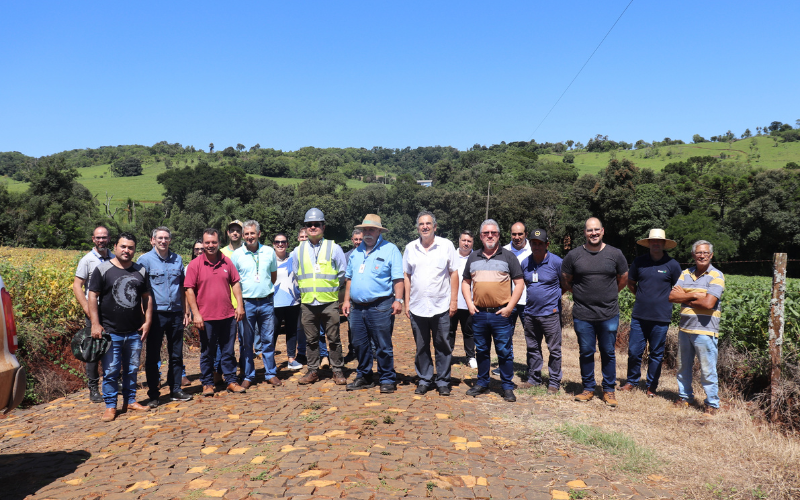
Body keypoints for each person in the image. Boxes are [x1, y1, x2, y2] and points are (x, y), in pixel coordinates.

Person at [561, 217, 628, 407]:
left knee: (608, 352)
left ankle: (608, 390)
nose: (593, 233)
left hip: (608, 313)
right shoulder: (574, 256)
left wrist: (610, 292)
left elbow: (623, 277)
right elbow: (566, 280)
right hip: (583, 314)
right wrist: (580, 293)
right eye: (589, 230)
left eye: (596, 230)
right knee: (586, 352)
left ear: (603, 231)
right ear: (584, 232)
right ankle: (588, 388)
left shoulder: (615, 254)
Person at [88, 232, 153, 421]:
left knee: (132, 368)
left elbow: (147, 297)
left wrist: (148, 321)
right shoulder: (102, 270)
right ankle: (110, 405)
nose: (127, 250)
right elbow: (93, 295)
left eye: (130, 247)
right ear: (115, 247)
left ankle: (130, 400)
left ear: (134, 250)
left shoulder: (140, 271)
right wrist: (95, 323)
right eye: (123, 246)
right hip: (110, 331)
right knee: (111, 370)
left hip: (134, 331)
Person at [462, 219, 524, 403]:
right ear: (481, 236)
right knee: (481, 350)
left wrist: (510, 307)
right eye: (486, 233)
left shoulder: (508, 256)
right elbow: (466, 282)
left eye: (494, 233)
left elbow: (519, 283)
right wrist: (469, 303)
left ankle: (507, 386)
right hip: (479, 313)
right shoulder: (473, 257)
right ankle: (482, 383)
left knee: (504, 351)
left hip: (501, 314)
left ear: (498, 235)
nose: (490, 236)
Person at [343, 214, 404, 393]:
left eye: (371, 229)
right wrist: (346, 300)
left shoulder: (390, 249)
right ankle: (364, 376)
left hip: (381, 305)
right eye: (365, 230)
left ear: (379, 231)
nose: (367, 233)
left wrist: (398, 300)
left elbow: (398, 278)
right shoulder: (356, 252)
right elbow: (349, 279)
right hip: (356, 307)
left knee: (382, 345)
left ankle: (387, 378)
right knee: (359, 344)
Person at [185, 228, 246, 396]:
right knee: (207, 352)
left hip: (227, 315)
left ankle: (231, 381)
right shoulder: (195, 264)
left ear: (219, 242)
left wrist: (240, 305)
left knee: (228, 351)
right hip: (205, 318)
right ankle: (207, 383)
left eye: (213, 242)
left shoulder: (227, 262)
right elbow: (189, 290)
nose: (210, 245)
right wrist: (195, 314)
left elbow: (235, 284)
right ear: (203, 244)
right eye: (207, 242)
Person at [621, 229, 682, 397]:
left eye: (659, 241)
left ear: (663, 244)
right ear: (648, 243)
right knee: (634, 351)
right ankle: (632, 381)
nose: (656, 244)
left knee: (656, 354)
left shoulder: (672, 265)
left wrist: (660, 300)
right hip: (639, 316)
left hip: (661, 317)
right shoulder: (639, 262)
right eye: (653, 241)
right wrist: (644, 297)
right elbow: (631, 283)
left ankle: (651, 386)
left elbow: (678, 289)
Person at [403, 211, 458, 396]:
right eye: (421, 224)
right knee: (421, 346)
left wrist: (454, 301)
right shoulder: (410, 248)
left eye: (428, 223)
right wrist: (407, 303)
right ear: (417, 228)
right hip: (418, 306)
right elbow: (407, 276)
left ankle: (443, 381)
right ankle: (425, 379)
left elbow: (454, 274)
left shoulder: (446, 245)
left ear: (435, 226)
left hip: (441, 305)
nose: (424, 227)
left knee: (442, 345)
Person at [137, 227, 193, 408]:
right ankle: (154, 394)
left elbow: (183, 288)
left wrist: (186, 311)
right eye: (159, 238)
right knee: (153, 356)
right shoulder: (144, 260)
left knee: (176, 355)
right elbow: (139, 291)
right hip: (155, 314)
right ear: (152, 240)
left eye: (166, 238)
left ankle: (175, 389)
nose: (163, 241)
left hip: (176, 313)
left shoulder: (178, 259)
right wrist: (144, 317)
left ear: (170, 240)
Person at [669, 240, 724, 415]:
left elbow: (709, 303)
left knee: (707, 370)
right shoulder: (685, 273)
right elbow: (672, 296)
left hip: (705, 330)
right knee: (682, 367)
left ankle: (712, 404)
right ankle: (685, 397)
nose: (701, 256)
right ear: (693, 255)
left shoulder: (717, 275)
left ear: (711, 255)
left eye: (705, 253)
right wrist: (696, 294)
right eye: (698, 253)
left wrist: (684, 294)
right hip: (685, 329)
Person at [294, 208, 347, 385]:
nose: (313, 227)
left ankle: (338, 370)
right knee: (311, 340)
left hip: (329, 302)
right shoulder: (298, 250)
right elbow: (296, 274)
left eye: (317, 224)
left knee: (334, 339)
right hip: (308, 303)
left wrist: (330, 290)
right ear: (306, 227)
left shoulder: (334, 247)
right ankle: (313, 370)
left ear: (323, 227)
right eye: (309, 225)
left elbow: (342, 273)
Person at [231, 220, 279, 388]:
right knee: (246, 341)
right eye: (247, 234)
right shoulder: (237, 255)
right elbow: (234, 282)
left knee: (268, 339)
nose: (250, 237)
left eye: (253, 233)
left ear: (259, 234)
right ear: (243, 236)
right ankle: (248, 375)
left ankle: (271, 373)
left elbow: (273, 276)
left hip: (266, 301)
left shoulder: (269, 251)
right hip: (246, 303)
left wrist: (263, 289)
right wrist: (239, 304)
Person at [518, 229, 563, 394]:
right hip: (530, 313)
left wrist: (553, 298)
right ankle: (534, 379)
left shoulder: (557, 262)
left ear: (547, 245)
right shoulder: (525, 263)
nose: (536, 246)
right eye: (533, 243)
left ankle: (554, 382)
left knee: (554, 350)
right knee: (533, 347)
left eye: (540, 244)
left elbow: (565, 284)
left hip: (550, 313)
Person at [72, 225, 114, 403]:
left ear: (109, 239)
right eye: (98, 238)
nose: (101, 240)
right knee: (93, 350)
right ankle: (93, 388)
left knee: (113, 347)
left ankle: (113, 383)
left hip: (112, 311)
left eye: (104, 237)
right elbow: (77, 286)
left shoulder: (115, 257)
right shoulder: (87, 260)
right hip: (93, 312)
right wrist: (87, 309)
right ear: (93, 239)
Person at [272, 232, 303, 370]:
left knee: (292, 331)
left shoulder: (293, 258)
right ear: (273, 244)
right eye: (277, 242)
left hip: (292, 301)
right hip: (274, 302)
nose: (280, 244)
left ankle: (291, 358)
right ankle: (269, 360)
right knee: (273, 332)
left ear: (287, 244)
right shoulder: (270, 260)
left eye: (283, 242)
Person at [450, 230, 476, 368]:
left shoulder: (477, 257)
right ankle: (447, 355)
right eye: (464, 240)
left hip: (469, 302)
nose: (466, 243)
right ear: (459, 241)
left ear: (472, 243)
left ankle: (471, 357)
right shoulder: (450, 256)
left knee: (469, 331)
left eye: (469, 241)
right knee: (449, 330)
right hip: (451, 301)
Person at [343, 228, 364, 363]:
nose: (358, 242)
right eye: (355, 239)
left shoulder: (369, 253)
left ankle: (371, 350)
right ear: (352, 240)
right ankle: (352, 351)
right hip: (351, 297)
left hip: (366, 296)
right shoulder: (347, 256)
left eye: (360, 239)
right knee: (352, 326)